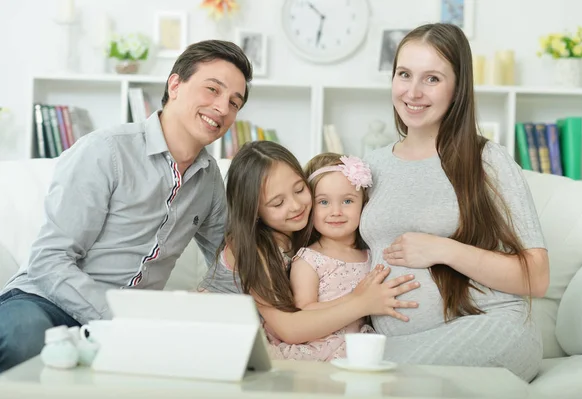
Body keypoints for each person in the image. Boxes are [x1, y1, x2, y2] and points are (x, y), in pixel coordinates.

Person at [0, 40, 253, 372]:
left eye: (234, 102)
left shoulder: (210, 182)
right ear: (175, 85)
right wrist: (120, 319)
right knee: (24, 336)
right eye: (212, 90)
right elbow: (49, 261)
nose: (222, 108)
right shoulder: (105, 151)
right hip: (46, 304)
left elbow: (231, 259)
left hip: (135, 326)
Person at [360, 23, 549, 382]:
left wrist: (443, 249)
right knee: (356, 363)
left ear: (458, 87)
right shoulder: (370, 165)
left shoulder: (486, 159)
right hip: (396, 340)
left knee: (372, 372)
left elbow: (537, 277)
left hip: (488, 327)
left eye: (432, 79)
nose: (413, 92)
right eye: (404, 74)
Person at [198, 141, 420, 352]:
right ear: (254, 211)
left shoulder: (301, 235)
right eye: (278, 203)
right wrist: (361, 302)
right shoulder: (252, 248)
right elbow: (290, 329)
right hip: (204, 332)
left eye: (299, 189)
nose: (295, 206)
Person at [267, 152, 383, 361]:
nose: (336, 211)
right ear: (310, 206)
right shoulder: (309, 259)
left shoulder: (371, 254)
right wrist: (358, 300)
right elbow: (304, 309)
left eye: (348, 201)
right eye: (323, 202)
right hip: (321, 345)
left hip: (358, 344)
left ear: (364, 204)